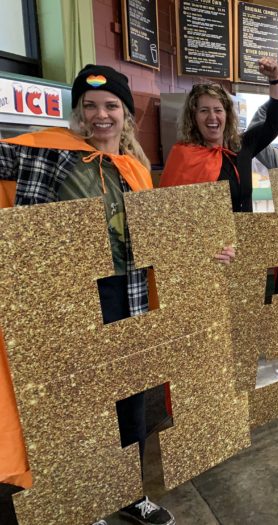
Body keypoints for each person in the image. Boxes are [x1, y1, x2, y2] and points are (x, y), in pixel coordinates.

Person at [0, 65, 174, 525]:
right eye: (90, 106)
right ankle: (84, 497)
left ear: (126, 115)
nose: (101, 116)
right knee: (75, 402)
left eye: (111, 106)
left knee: (129, 397)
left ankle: (129, 491)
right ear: (78, 112)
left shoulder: (136, 170)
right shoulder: (47, 154)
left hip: (127, 296)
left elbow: (159, 237)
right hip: (68, 303)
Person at [159, 57, 278, 213]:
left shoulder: (240, 146)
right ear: (193, 117)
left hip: (244, 234)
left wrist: (274, 80)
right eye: (204, 110)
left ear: (227, 115)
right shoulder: (184, 156)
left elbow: (274, 124)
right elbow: (169, 211)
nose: (212, 117)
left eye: (218, 110)